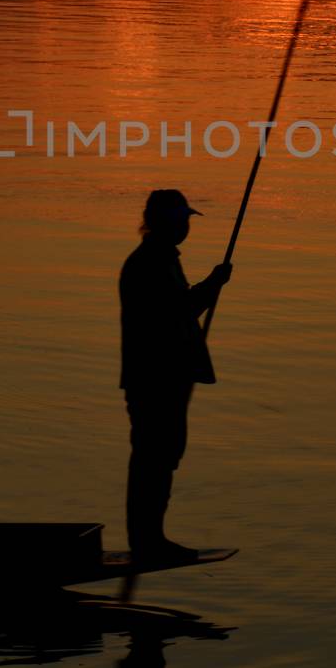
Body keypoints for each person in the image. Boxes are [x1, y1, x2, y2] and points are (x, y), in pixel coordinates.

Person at [118, 189, 232, 562]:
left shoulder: (162, 259)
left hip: (167, 376)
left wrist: (210, 287)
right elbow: (176, 311)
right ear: (166, 223)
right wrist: (213, 284)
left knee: (162, 456)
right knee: (153, 457)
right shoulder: (149, 263)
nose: (186, 226)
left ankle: (150, 537)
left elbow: (178, 311)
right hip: (155, 379)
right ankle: (147, 540)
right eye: (182, 220)